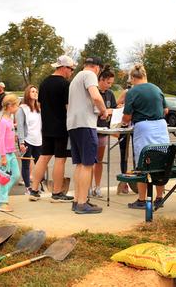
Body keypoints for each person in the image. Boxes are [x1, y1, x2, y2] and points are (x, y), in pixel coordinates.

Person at [29, 55, 76, 203]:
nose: (72, 72)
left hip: (47, 125)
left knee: (43, 157)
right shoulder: (64, 85)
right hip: (61, 126)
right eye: (71, 69)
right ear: (64, 68)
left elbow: (41, 105)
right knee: (60, 160)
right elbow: (68, 107)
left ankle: (34, 189)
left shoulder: (44, 83)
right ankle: (56, 192)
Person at [121, 63, 169, 210]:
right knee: (161, 162)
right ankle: (159, 198)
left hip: (144, 128)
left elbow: (127, 117)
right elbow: (166, 110)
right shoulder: (156, 89)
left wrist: (122, 122)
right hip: (161, 126)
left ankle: (142, 199)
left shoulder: (132, 92)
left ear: (132, 78)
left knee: (142, 164)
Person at [67, 56, 108, 214]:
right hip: (85, 124)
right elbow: (96, 96)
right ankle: (83, 203)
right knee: (88, 164)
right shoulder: (90, 75)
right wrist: (104, 111)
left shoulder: (76, 78)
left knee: (79, 164)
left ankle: (78, 200)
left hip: (73, 124)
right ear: (97, 68)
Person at [91, 65, 117, 198]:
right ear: (101, 79)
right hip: (91, 131)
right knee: (89, 161)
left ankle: (97, 186)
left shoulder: (110, 94)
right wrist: (101, 112)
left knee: (99, 161)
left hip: (103, 132)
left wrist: (107, 112)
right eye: (108, 82)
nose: (109, 85)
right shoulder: (93, 91)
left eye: (111, 83)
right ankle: (88, 186)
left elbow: (113, 110)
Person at [0, 94, 21, 212]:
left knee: (15, 176)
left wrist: (14, 137)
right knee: (5, 178)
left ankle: (0, 193)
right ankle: (1, 202)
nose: (18, 108)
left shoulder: (10, 120)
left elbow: (8, 135)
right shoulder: (3, 121)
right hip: (4, 153)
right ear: (10, 106)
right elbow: (0, 139)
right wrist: (3, 156)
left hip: (11, 152)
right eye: (16, 106)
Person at [16, 85, 42, 194]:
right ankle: (28, 187)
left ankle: (38, 185)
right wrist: (21, 141)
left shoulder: (39, 109)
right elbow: (20, 126)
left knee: (40, 163)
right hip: (27, 139)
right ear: (28, 93)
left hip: (38, 139)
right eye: (32, 91)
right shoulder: (22, 109)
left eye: (36, 91)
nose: (35, 93)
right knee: (26, 164)